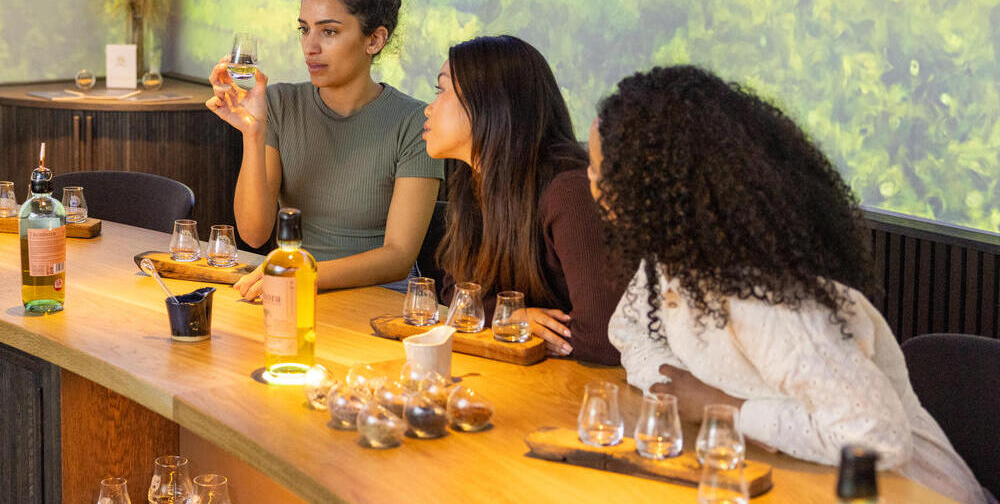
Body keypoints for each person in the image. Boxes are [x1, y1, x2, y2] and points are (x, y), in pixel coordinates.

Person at [593, 65, 986, 504]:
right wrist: (673, 389)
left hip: (907, 493)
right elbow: (630, 333)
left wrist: (723, 408)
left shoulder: (767, 300)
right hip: (789, 482)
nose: (591, 184)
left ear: (655, 185)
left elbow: (877, 440)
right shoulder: (672, 262)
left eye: (601, 172)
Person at [208, 0, 444, 299]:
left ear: (375, 40)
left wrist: (303, 274)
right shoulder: (280, 103)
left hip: (382, 299)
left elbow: (397, 257)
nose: (310, 47)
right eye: (305, 29)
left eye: (329, 31)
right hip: (294, 289)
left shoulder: (414, 121)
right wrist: (253, 134)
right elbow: (253, 235)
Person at [421, 35, 622, 363]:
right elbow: (454, 293)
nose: (429, 107)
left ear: (489, 104)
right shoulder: (473, 180)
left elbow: (605, 338)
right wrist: (509, 316)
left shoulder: (569, 191)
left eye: (441, 90)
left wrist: (508, 324)